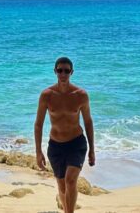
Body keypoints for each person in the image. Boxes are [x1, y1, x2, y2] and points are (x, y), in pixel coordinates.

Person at [34, 56, 95, 213]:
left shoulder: (80, 95)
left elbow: (88, 122)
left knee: (70, 181)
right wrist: (38, 152)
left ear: (71, 72)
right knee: (62, 187)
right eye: (60, 70)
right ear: (55, 71)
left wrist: (92, 150)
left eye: (66, 71)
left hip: (76, 144)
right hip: (55, 146)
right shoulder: (47, 95)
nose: (63, 74)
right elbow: (38, 124)